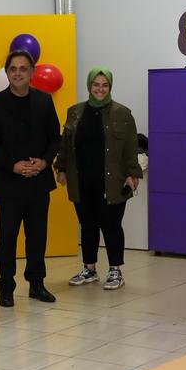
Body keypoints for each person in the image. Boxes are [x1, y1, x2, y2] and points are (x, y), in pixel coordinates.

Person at [0, 49, 61, 308]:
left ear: (32, 72)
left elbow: (55, 137)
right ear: (6, 72)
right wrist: (13, 165)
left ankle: (37, 284)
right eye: (13, 69)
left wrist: (45, 161)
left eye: (23, 68)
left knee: (37, 237)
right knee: (7, 238)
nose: (17, 73)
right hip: (9, 182)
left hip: (39, 181)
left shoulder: (44, 101)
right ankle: (6, 287)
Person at [54, 67, 141, 291]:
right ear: (89, 86)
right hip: (82, 181)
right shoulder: (75, 112)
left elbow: (130, 147)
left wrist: (132, 173)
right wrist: (61, 167)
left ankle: (115, 270)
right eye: (96, 84)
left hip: (112, 181)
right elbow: (65, 144)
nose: (100, 89)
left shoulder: (122, 113)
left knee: (111, 225)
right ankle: (89, 268)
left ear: (110, 87)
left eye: (105, 85)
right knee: (87, 225)